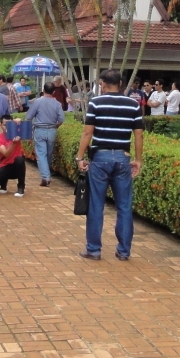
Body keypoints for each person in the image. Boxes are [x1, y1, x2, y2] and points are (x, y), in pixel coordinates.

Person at [74, 68, 143, 262]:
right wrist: (138, 160)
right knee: (124, 206)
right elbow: (139, 134)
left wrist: (80, 157)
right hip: (122, 158)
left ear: (103, 84)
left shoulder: (96, 102)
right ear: (120, 84)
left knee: (96, 205)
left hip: (100, 158)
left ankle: (94, 250)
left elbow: (87, 132)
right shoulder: (133, 104)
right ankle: (124, 251)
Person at [24, 82, 66, 185]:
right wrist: (56, 126)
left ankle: (46, 177)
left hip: (39, 130)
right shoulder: (57, 104)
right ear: (54, 91)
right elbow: (61, 119)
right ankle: (47, 174)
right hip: (52, 130)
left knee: (41, 154)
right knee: (48, 154)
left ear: (43, 90)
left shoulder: (37, 102)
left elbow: (28, 117)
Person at [0, 127, 27, 196]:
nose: (7, 127)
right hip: (5, 165)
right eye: (4, 124)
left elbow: (25, 128)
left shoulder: (17, 134)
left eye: (9, 124)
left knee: (20, 160)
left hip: (16, 166)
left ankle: (21, 187)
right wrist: (14, 144)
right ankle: (3, 183)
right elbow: (6, 154)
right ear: (1, 125)